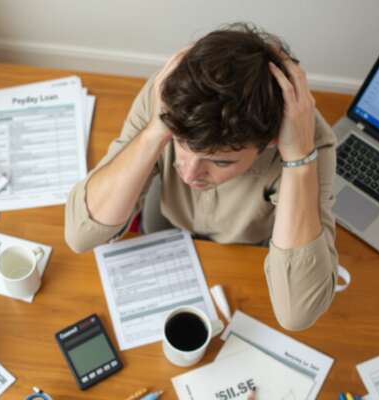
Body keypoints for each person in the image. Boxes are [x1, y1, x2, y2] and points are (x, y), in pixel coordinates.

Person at [65, 23, 338, 331]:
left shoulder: (308, 143)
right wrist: (157, 128)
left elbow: (297, 314)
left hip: (246, 252)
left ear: (271, 140)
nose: (189, 173)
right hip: (167, 226)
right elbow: (80, 235)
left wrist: (299, 162)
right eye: (181, 145)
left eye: (220, 161)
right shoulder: (169, 96)